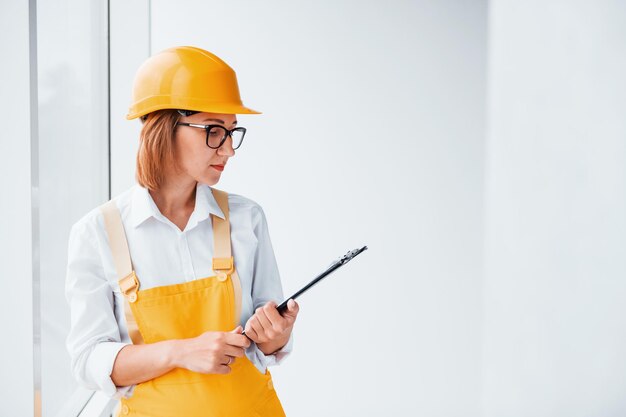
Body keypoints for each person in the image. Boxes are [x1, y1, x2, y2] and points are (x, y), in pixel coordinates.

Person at [65, 46, 299, 417]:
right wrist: (182, 351)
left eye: (232, 132)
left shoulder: (247, 219)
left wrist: (276, 336)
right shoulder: (98, 233)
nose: (228, 150)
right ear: (163, 127)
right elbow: (88, 360)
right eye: (214, 131)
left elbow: (267, 345)